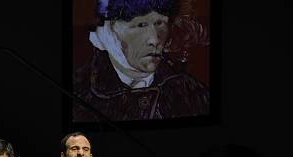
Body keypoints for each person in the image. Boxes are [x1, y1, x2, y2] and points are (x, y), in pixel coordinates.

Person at [73, 0, 209, 122]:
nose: (155, 40)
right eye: (141, 25)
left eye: (160, 23)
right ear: (112, 27)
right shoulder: (78, 96)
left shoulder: (190, 93)